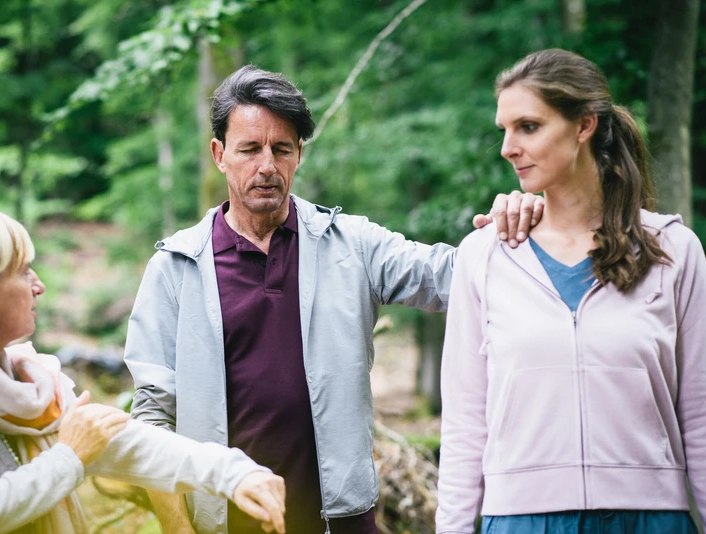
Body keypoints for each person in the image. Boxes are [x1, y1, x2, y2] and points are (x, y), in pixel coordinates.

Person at [123, 65, 543, 534]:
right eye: (249, 149)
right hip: (225, 523)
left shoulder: (352, 245)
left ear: (299, 153)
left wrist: (527, 224)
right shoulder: (176, 267)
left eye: (281, 149)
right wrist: (180, 528)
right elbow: (152, 418)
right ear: (219, 154)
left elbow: (452, 277)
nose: (267, 166)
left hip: (342, 521)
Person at [435, 48, 706, 534]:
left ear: (584, 125)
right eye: (504, 130)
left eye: (528, 127)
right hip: (521, 521)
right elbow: (463, 425)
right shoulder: (486, 255)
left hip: (650, 519)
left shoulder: (674, 251)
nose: (508, 147)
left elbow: (701, 414)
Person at [0, 208, 288, 534]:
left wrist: (235, 473)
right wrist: (69, 458)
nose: (38, 285)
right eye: (23, 272)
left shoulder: (33, 379)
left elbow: (129, 444)